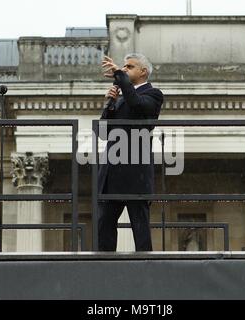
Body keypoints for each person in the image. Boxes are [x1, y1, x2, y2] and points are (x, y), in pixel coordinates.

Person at [97, 53, 164, 251]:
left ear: (143, 72)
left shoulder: (153, 94)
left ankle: (147, 270)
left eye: (129, 67)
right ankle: (105, 268)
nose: (125, 69)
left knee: (140, 229)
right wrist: (108, 105)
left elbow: (137, 105)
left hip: (136, 175)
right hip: (112, 173)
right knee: (104, 226)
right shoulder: (120, 98)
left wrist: (119, 75)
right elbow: (103, 132)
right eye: (124, 67)